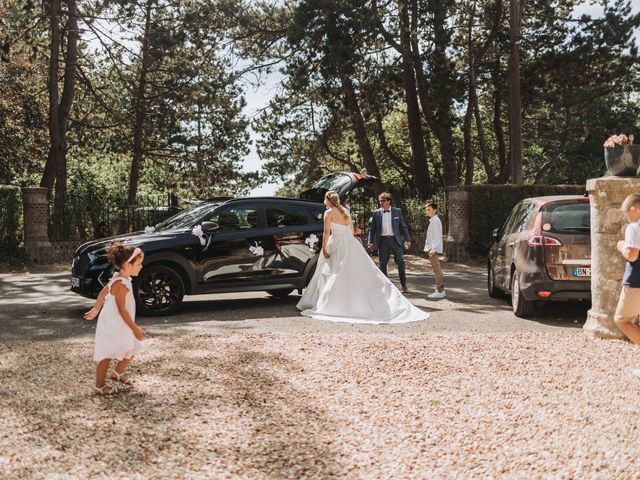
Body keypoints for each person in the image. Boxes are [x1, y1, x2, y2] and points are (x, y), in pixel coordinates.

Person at [297, 191, 427, 324]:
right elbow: (352, 232)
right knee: (352, 271)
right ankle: (352, 299)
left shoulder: (328, 213)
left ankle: (335, 301)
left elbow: (326, 232)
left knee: (333, 271)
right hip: (350, 243)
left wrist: (324, 248)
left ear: (328, 200)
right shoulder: (346, 212)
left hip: (336, 242)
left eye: (325, 199)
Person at [84, 243, 145, 395]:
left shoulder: (118, 278)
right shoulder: (121, 284)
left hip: (118, 322)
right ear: (126, 265)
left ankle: (117, 372)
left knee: (132, 346)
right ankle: (99, 386)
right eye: (138, 264)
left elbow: (104, 292)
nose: (141, 266)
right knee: (108, 354)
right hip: (113, 324)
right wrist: (134, 328)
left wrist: (96, 308)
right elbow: (121, 309)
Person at [614, 194, 640, 376]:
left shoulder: (634, 227)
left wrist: (621, 246)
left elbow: (632, 255)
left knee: (622, 320)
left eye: (627, 214)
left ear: (633, 210)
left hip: (636, 281)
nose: (627, 217)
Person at [367, 192, 412, 292]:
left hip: (395, 240)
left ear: (388, 201)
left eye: (383, 201)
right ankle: (385, 286)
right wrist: (370, 242)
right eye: (380, 201)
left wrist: (408, 239)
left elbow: (403, 226)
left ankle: (404, 284)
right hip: (382, 241)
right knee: (382, 264)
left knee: (400, 262)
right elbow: (372, 229)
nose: (381, 203)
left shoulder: (397, 211)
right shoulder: (376, 213)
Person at [424, 202, 446, 299]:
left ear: (434, 210)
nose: (427, 211)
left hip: (433, 249)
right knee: (436, 269)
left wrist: (433, 248)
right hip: (432, 248)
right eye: (426, 210)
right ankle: (440, 290)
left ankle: (440, 290)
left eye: (429, 209)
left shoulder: (436, 221)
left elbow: (437, 236)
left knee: (437, 270)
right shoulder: (433, 220)